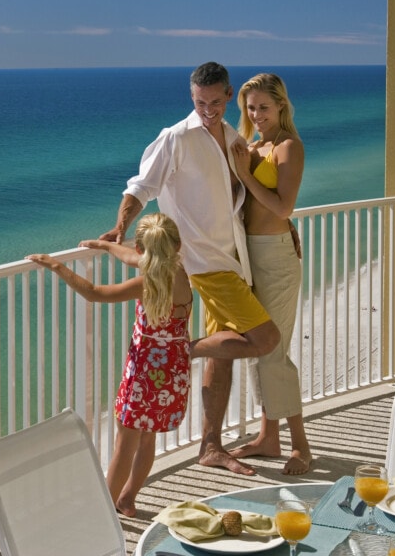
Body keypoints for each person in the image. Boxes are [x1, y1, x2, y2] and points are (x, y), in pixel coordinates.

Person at [101, 61, 280, 476]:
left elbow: (244, 198)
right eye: (201, 102)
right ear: (191, 97)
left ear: (229, 95)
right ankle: (179, 350)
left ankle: (210, 445)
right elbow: (140, 187)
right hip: (201, 262)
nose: (208, 110)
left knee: (222, 354)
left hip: (232, 257)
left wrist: (284, 227)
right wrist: (120, 227)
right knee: (264, 338)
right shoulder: (175, 138)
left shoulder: (234, 138)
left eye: (216, 102)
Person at [26, 213, 192, 518]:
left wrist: (55, 265)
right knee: (146, 437)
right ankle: (126, 499)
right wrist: (103, 247)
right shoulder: (178, 270)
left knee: (124, 443)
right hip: (173, 372)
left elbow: (94, 293)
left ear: (143, 250)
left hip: (145, 374)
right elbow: (132, 258)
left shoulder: (149, 283)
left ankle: (99, 514)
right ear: (177, 245)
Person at [227, 72, 314, 474]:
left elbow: (283, 208)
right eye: (250, 107)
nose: (257, 114)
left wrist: (245, 174)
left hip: (276, 260)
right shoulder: (252, 146)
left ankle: (301, 446)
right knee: (258, 347)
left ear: (281, 105)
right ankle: (268, 436)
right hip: (248, 255)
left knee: (273, 350)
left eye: (264, 106)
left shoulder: (288, 147)